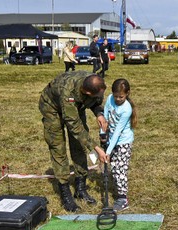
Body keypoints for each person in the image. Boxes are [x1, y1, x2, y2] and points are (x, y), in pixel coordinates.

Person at [38, 71, 108, 212]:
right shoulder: (68, 92)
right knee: (58, 147)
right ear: (87, 91)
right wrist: (96, 148)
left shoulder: (94, 82)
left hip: (76, 105)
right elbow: (75, 126)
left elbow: (95, 101)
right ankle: (65, 193)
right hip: (52, 107)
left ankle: (80, 189)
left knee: (79, 145)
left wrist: (99, 113)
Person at [103, 78, 136, 212]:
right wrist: (102, 135)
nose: (117, 99)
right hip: (111, 139)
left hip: (123, 141)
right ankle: (119, 190)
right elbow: (105, 116)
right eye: (116, 96)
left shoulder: (126, 109)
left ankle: (123, 198)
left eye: (121, 97)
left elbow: (117, 131)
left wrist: (108, 150)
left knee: (119, 169)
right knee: (114, 166)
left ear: (127, 94)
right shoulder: (110, 98)